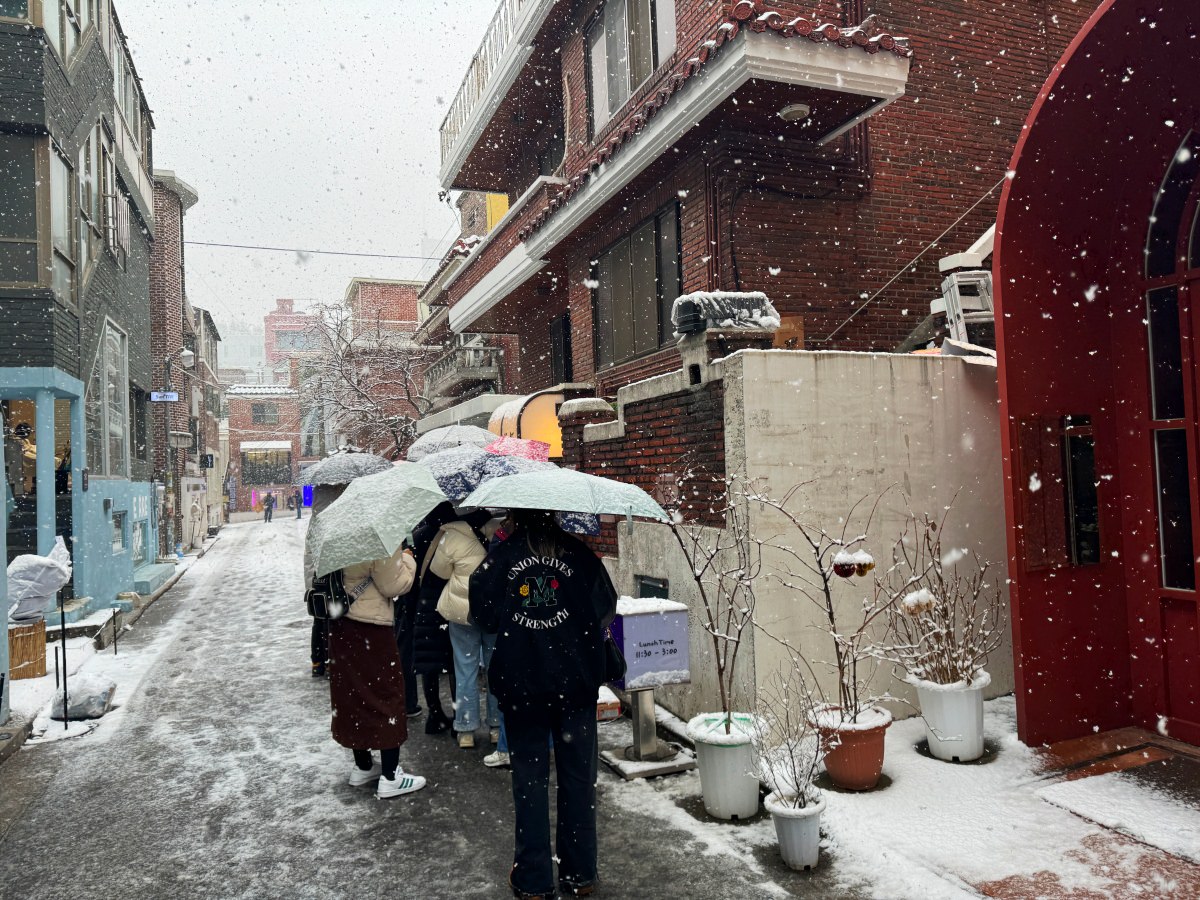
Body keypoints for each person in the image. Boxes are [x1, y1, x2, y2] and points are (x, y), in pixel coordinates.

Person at [470, 509, 617, 900]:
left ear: (516, 515)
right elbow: (606, 608)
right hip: (575, 683)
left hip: (524, 685)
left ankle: (534, 880)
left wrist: (523, 617)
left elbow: (482, 616)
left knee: (530, 781)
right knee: (578, 778)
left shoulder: (500, 558)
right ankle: (580, 873)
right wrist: (567, 624)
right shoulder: (579, 554)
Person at [328, 539, 426, 799]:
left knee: (352, 695)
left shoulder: (329, 536)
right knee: (386, 694)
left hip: (339, 625)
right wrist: (407, 557)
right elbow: (395, 584)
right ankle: (392, 776)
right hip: (372, 625)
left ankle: (363, 766)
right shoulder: (376, 537)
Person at [429, 507, 498, 749]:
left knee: (465, 669)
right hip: (493, 611)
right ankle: (497, 728)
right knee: (495, 669)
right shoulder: (498, 531)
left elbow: (439, 571)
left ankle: (466, 730)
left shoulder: (451, 535)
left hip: (461, 612)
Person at [408, 502, 459, 735]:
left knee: (428, 664)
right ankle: (460, 716)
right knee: (455, 662)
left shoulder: (418, 536)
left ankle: (434, 713)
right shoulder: (454, 536)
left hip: (424, 604)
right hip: (450, 602)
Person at [304, 484, 347, 677]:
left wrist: (309, 586)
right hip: (336, 577)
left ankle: (318, 661)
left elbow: (309, 556)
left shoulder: (315, 521)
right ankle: (331, 661)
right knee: (335, 619)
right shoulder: (341, 517)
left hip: (319, 578)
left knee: (319, 619)